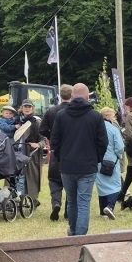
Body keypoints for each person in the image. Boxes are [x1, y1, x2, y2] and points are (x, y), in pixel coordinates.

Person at [50, 83, 108, 236]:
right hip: (88, 166)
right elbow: (103, 142)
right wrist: (97, 158)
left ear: (72, 96)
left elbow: (54, 141)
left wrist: (61, 157)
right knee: (83, 202)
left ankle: (73, 231)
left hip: (67, 165)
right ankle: (80, 236)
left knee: (72, 201)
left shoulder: (61, 115)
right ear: (88, 97)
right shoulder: (95, 116)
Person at [39, 84, 72, 221]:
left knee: (54, 180)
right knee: (71, 181)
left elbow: (42, 130)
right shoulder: (74, 111)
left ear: (60, 95)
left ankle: (56, 203)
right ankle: (68, 210)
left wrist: (52, 136)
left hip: (55, 150)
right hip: (72, 151)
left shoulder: (51, 111)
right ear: (72, 95)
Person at [96, 106, 125, 219]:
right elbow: (119, 147)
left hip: (98, 161)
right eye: (113, 115)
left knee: (101, 186)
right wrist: (119, 155)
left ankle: (103, 212)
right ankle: (110, 206)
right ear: (108, 116)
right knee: (116, 186)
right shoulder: (113, 129)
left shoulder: (95, 129)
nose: (114, 118)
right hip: (111, 162)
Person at [17, 99, 44, 203]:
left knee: (30, 179)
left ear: (33, 108)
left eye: (29, 107)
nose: (27, 109)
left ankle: (32, 199)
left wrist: (37, 144)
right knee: (16, 177)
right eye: (25, 107)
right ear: (22, 108)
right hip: (16, 152)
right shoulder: (17, 121)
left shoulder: (36, 122)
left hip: (31, 155)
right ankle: (16, 199)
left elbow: (43, 139)